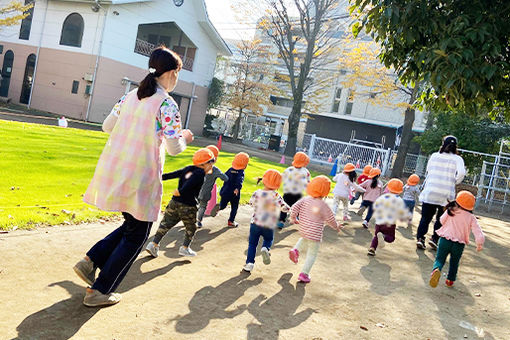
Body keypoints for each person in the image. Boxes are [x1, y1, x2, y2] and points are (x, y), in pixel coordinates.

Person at [73, 47, 193, 307]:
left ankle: (91, 260)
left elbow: (107, 126)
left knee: (133, 226)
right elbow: (174, 148)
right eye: (178, 73)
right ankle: (100, 290)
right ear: (172, 74)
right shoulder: (167, 104)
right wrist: (185, 136)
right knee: (138, 234)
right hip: (142, 174)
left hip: (115, 168)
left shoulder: (130, 96)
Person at [145, 148, 215, 258]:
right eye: (212, 162)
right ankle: (185, 248)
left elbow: (174, 174)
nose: (213, 165)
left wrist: (159, 177)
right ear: (205, 163)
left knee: (166, 223)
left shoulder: (188, 169)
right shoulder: (200, 173)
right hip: (188, 205)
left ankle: (153, 244)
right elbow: (190, 183)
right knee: (191, 227)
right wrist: (181, 191)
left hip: (175, 202)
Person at [288, 176, 341, 283]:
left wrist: (293, 218)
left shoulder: (305, 199)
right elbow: (330, 219)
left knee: (304, 239)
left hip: (304, 229)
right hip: (315, 234)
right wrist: (336, 227)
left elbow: (294, 208)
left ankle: (295, 250)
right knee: (312, 254)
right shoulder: (323, 205)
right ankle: (304, 273)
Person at [416, 135, 466, 250]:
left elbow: (428, 170)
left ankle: (420, 238)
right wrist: (454, 181)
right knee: (441, 219)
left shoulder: (434, 156)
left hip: (431, 190)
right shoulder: (458, 159)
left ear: (443, 144)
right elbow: (462, 173)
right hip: (446, 194)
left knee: (425, 218)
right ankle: (435, 238)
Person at [429, 191, 484, 288]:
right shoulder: (471, 217)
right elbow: (477, 231)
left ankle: (436, 269)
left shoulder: (451, 210)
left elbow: (441, 220)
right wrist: (479, 243)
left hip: (445, 239)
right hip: (459, 244)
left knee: (440, 259)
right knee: (454, 262)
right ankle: (450, 280)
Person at [243, 169, 290, 272]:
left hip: (255, 223)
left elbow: (251, 203)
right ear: (278, 184)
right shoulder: (276, 196)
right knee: (268, 239)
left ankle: (249, 263)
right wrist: (289, 210)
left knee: (252, 244)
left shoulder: (257, 193)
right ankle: (265, 248)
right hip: (268, 224)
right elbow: (284, 208)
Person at [367, 179, 410, 256]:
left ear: (388, 188)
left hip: (379, 221)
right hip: (390, 222)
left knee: (376, 236)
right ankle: (383, 236)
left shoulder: (383, 197)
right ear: (400, 190)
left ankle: (372, 248)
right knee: (391, 238)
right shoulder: (399, 200)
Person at [213, 152, 250, 227]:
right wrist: (237, 188)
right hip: (234, 193)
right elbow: (240, 181)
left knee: (223, 204)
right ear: (245, 165)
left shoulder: (230, 169)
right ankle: (231, 221)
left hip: (225, 191)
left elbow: (224, 176)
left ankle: (219, 207)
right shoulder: (240, 172)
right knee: (234, 207)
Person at [196, 145, 228, 228]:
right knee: (202, 206)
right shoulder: (215, 169)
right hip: (205, 192)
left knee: (196, 204)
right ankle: (198, 221)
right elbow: (225, 178)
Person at [277, 152, 311, 229]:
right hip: (298, 193)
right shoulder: (306, 172)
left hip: (287, 192)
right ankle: (297, 217)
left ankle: (281, 221)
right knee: (298, 206)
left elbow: (282, 177)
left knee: (284, 206)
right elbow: (308, 183)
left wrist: (277, 184)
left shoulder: (289, 169)